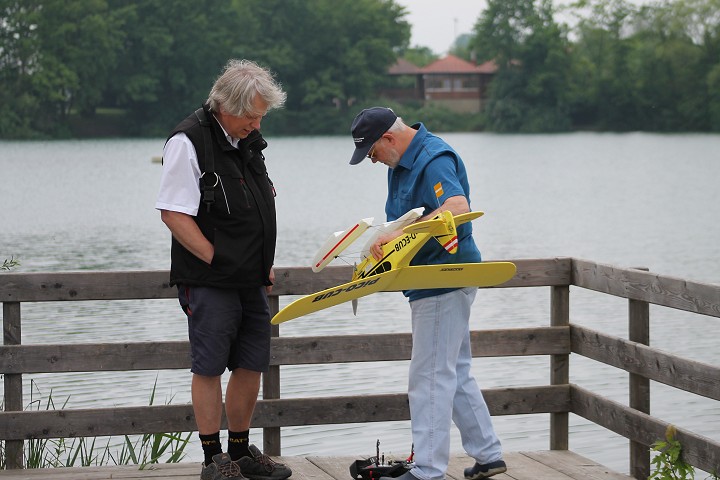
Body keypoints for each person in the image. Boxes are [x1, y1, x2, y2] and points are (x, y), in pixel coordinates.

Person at [349, 107, 507, 480]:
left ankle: (428, 470)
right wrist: (381, 239)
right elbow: (405, 221)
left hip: (443, 279)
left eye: (372, 153)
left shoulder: (433, 158)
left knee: (429, 377)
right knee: (456, 371)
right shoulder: (400, 165)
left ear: (388, 138)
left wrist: (402, 234)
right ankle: (488, 455)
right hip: (432, 281)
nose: (373, 161)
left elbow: (456, 207)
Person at [156, 59, 292, 480]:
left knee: (253, 362)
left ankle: (241, 452)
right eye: (250, 115)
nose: (256, 123)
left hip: (250, 278)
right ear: (224, 106)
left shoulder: (246, 140)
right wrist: (220, 260)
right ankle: (213, 458)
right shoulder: (188, 140)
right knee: (210, 365)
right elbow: (174, 215)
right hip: (209, 279)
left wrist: (258, 265)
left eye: (261, 117)